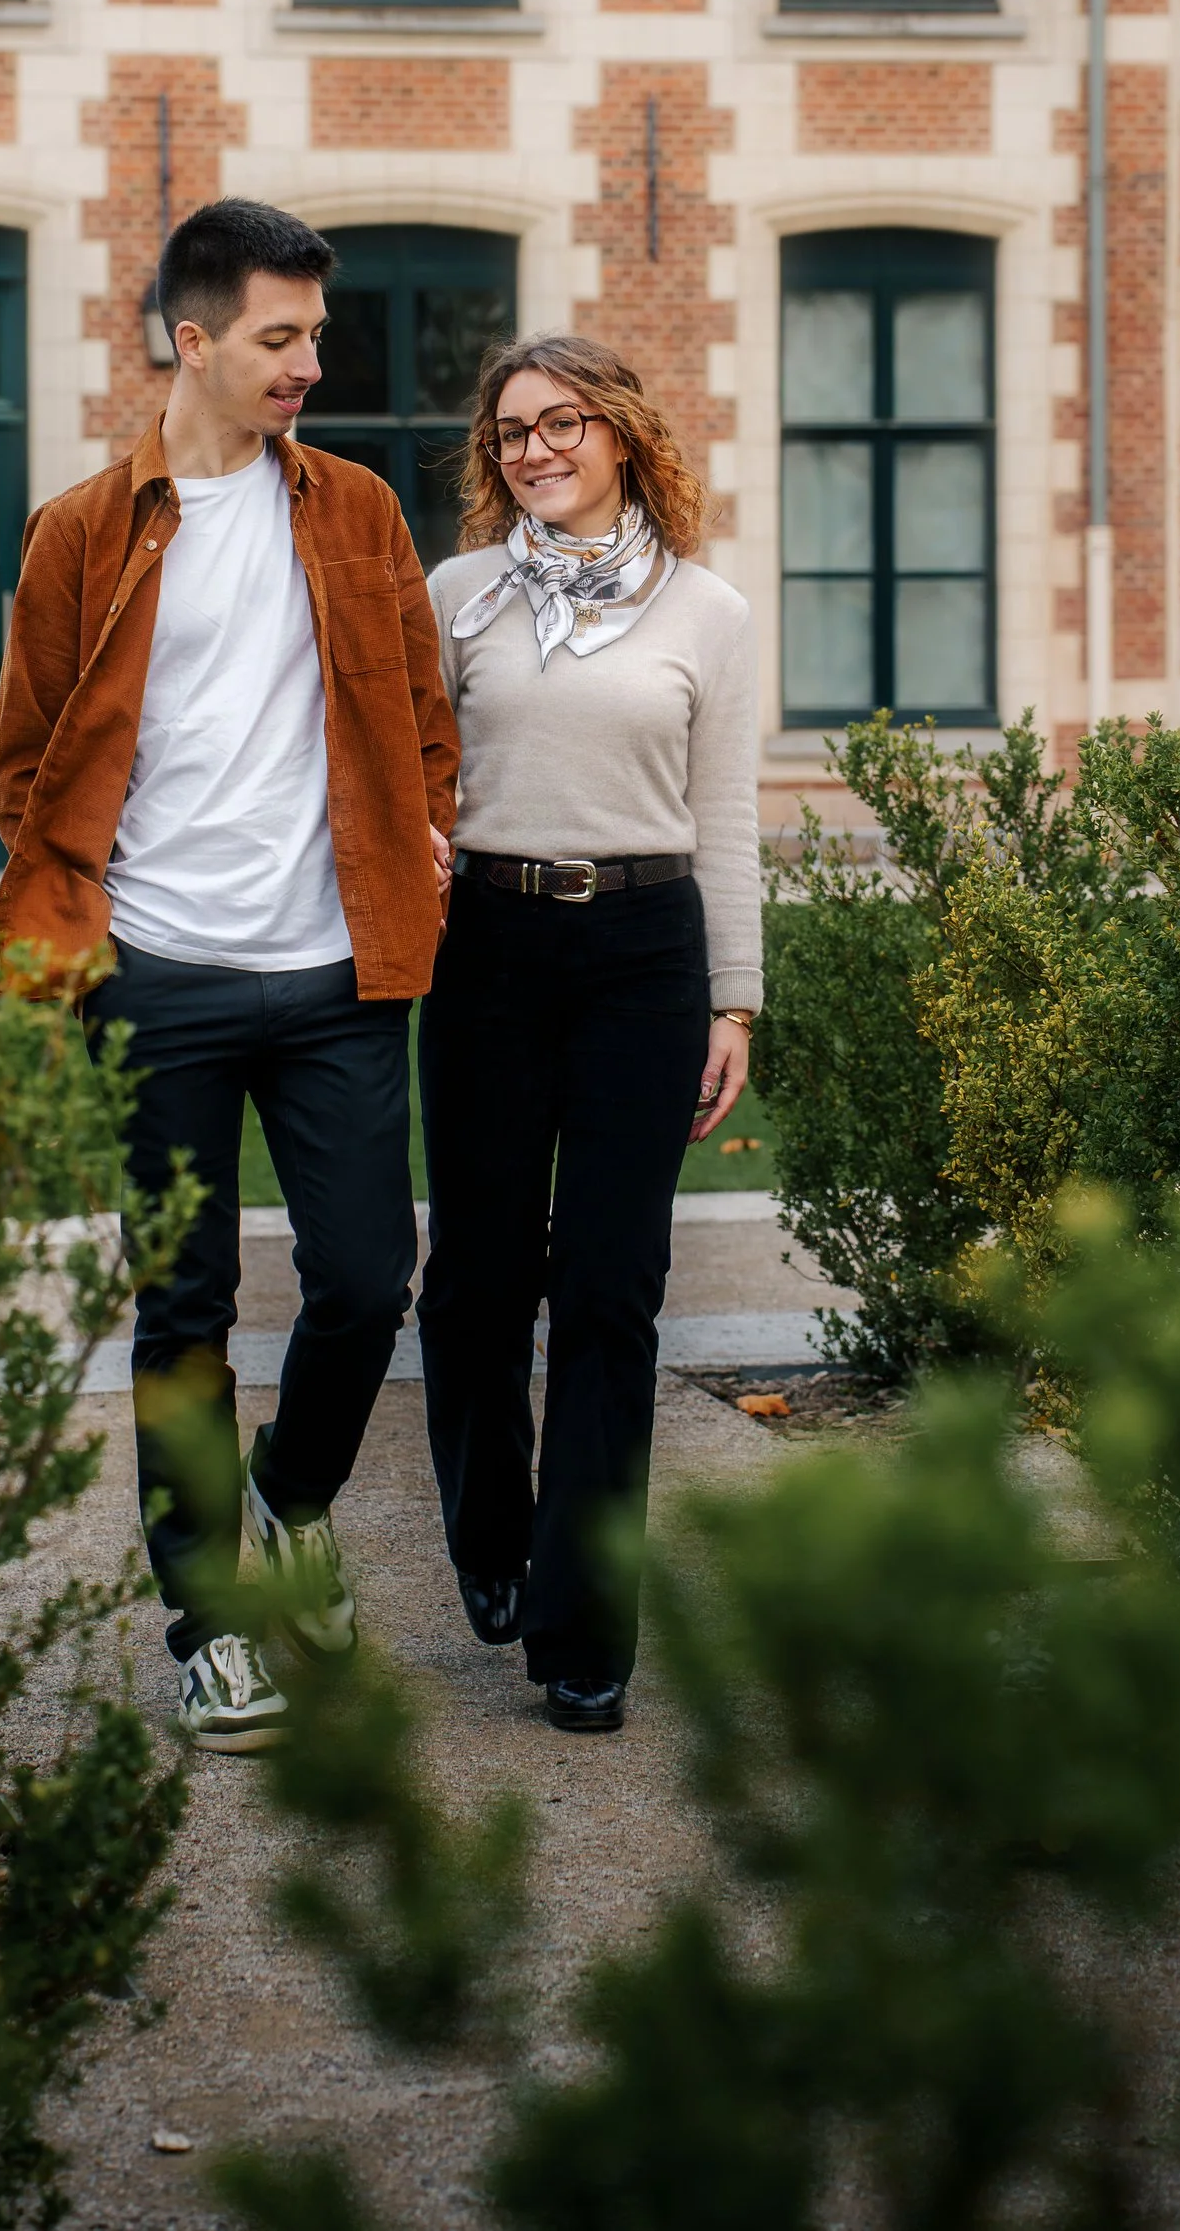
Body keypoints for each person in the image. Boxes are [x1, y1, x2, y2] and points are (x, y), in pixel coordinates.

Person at [0, 199, 458, 1754]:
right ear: (193, 340)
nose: (311, 363)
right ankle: (210, 1622)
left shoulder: (359, 515)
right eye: (282, 336)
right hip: (161, 982)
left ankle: (295, 1492)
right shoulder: (79, 532)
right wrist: (90, 937)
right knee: (181, 1308)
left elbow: (418, 706)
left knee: (364, 1281)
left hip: (336, 966)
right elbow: (29, 763)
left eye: (316, 336)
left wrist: (424, 829)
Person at [419, 335, 758, 1734]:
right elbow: (409, 773)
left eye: (562, 425)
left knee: (613, 1293)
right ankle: (492, 1535)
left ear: (622, 435)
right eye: (510, 434)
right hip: (487, 951)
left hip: (643, 954)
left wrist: (734, 995)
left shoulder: (707, 612)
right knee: (479, 1284)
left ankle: (582, 1626)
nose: (534, 450)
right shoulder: (457, 597)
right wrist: (412, 854)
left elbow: (725, 810)